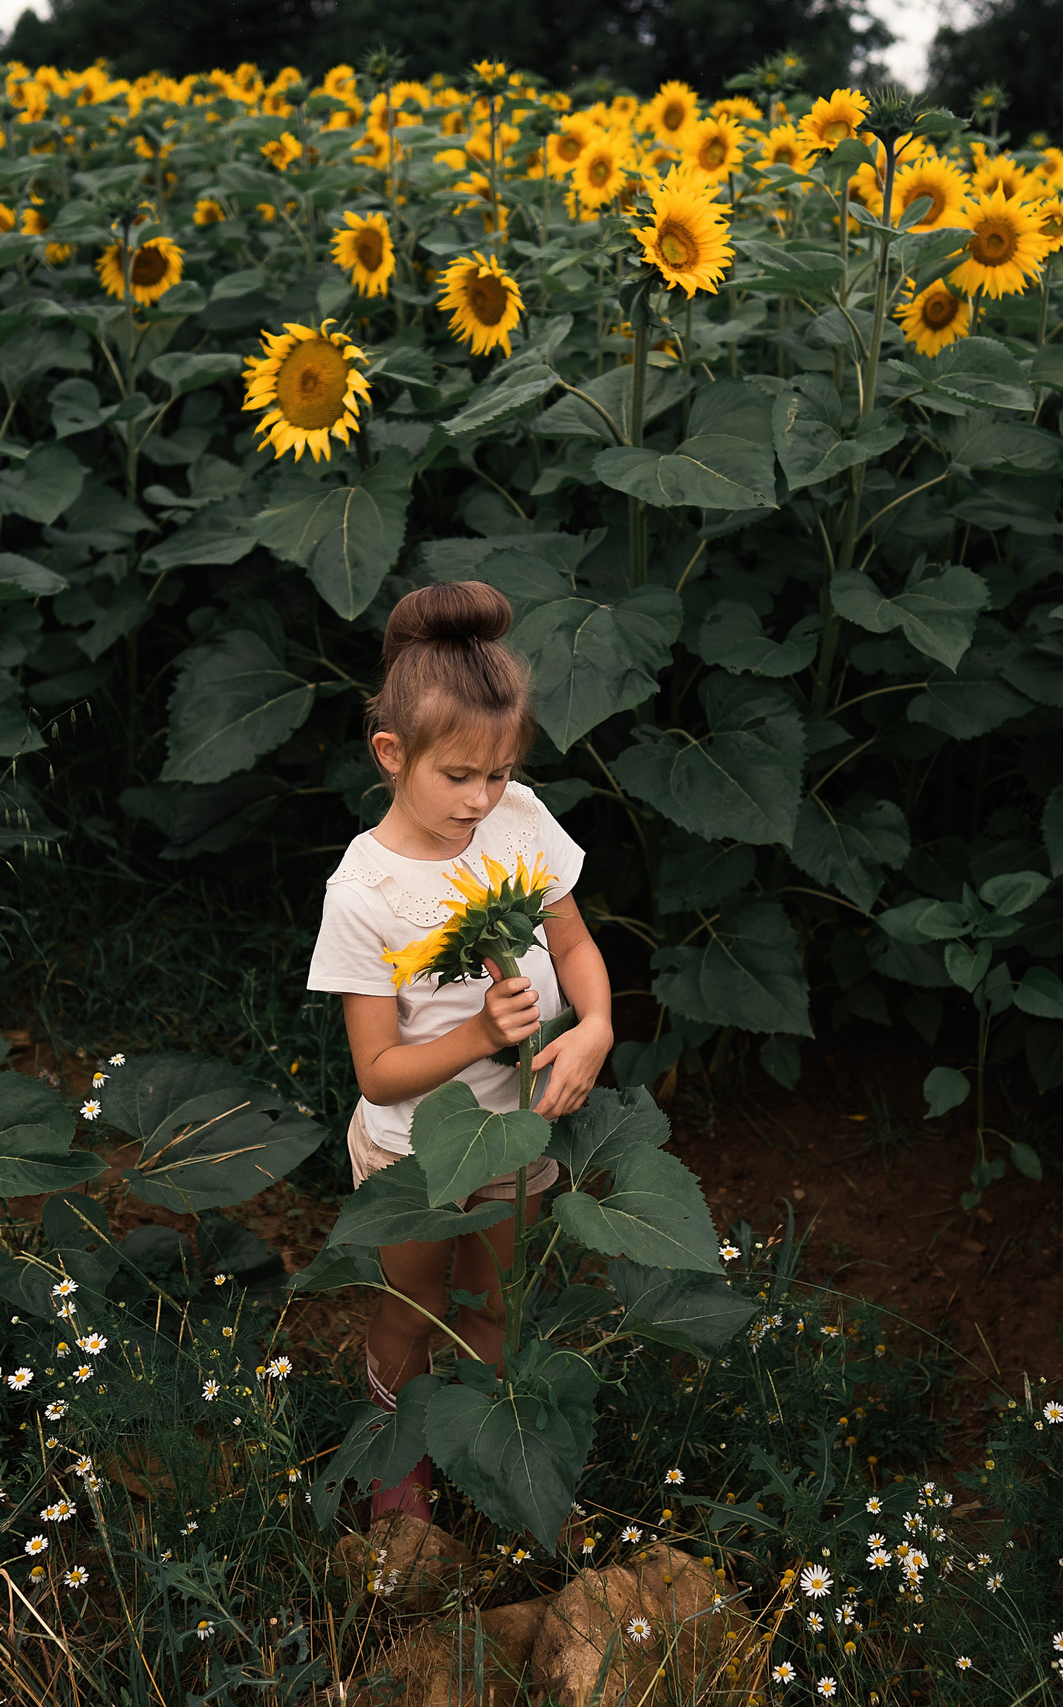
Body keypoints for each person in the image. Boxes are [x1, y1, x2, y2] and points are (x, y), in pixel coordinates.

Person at [303, 579, 614, 1525]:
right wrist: (481, 1032)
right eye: (460, 777)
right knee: (412, 1308)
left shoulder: (513, 818)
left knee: (492, 1301)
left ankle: (485, 1445)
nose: (482, 799)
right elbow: (376, 1071)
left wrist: (593, 1024)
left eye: (500, 772)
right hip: (415, 1149)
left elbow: (570, 941)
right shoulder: (365, 890)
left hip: (518, 1129)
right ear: (393, 754)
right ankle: (401, 1466)